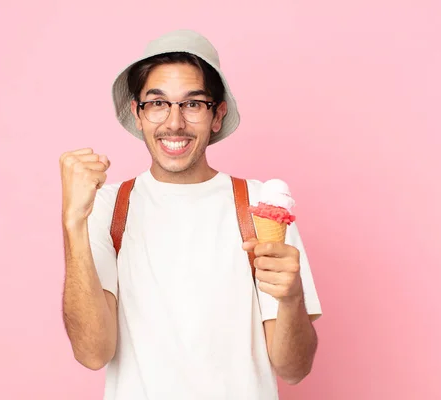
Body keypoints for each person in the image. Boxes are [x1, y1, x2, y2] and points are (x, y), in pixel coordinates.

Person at [59, 29, 322, 400]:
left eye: (194, 104)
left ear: (218, 115)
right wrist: (72, 222)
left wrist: (293, 297)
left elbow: (294, 369)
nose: (174, 123)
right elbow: (91, 352)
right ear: (137, 113)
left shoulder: (260, 205)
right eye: (157, 103)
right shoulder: (107, 206)